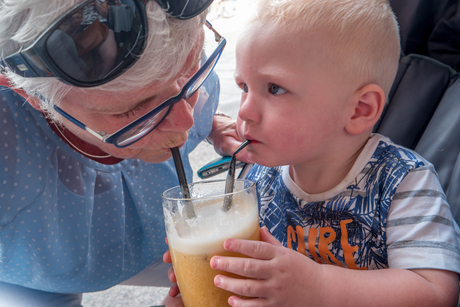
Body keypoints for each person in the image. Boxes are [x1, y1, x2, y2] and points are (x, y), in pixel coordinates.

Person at [163, 0, 460, 306]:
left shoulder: (403, 182)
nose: (244, 111)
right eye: (244, 87)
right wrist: (212, 278)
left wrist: (317, 286)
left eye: (275, 89)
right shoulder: (262, 177)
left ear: (359, 110)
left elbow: (436, 292)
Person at [0, 0, 246, 306]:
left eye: (193, 68)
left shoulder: (166, 38)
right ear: (30, 95)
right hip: (40, 278)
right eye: (133, 111)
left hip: (163, 240)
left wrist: (216, 125)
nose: (187, 121)